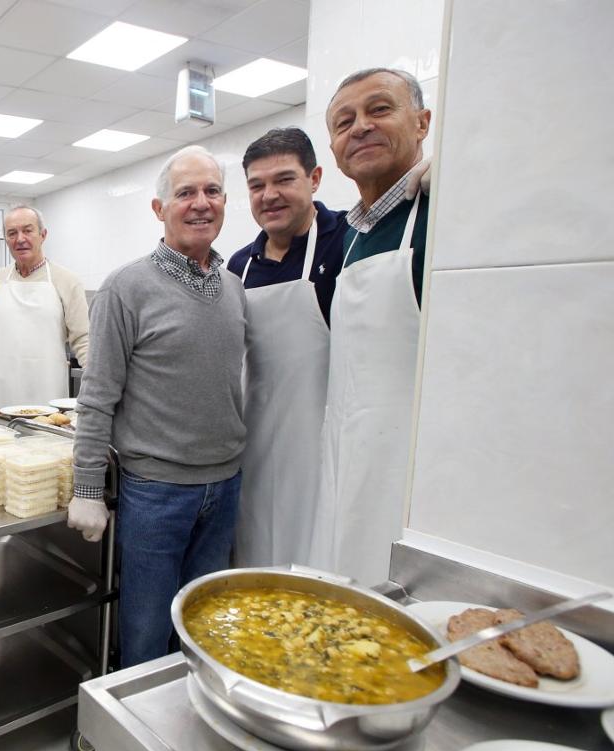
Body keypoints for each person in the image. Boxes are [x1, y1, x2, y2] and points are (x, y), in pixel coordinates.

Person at [67, 145, 247, 668]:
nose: (200, 203)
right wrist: (87, 488)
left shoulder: (234, 289)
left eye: (212, 191)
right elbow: (97, 396)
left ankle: (192, 726)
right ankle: (137, 740)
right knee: (146, 630)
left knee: (203, 626)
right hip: (156, 492)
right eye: (185, 192)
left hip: (226, 486)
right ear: (159, 208)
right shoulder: (127, 288)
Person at [310, 68, 433, 587]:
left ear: (423, 122)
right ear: (335, 149)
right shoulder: (353, 234)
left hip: (408, 479)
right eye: (344, 121)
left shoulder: (441, 215)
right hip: (343, 461)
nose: (360, 127)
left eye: (379, 109)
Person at [225, 127, 348, 569]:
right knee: (255, 556)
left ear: (315, 178)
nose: (269, 195)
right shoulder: (239, 265)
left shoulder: (347, 239)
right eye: (257, 186)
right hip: (255, 444)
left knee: (313, 559)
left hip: (319, 443)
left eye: (284, 180)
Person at [0, 205, 89, 414]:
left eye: (27, 230)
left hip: (47, 391)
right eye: (12, 233)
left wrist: (98, 386)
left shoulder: (67, 280)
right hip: (1, 391)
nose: (20, 238)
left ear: (43, 234)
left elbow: (83, 339)